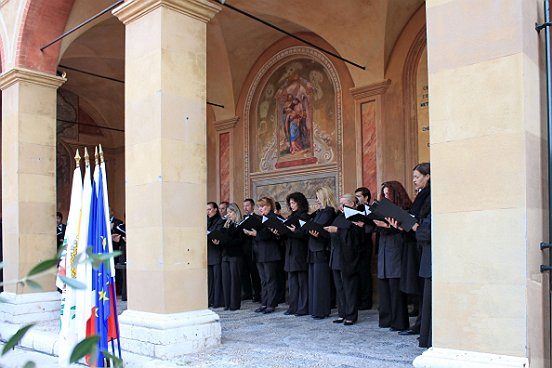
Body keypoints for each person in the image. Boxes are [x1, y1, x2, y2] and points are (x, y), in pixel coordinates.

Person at [373, 181, 411, 332]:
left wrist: (388, 226)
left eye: (389, 194)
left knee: (395, 287)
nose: (386, 197)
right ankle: (386, 319)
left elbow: (408, 230)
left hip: (396, 249)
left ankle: (399, 322)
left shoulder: (405, 208)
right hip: (383, 248)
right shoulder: (383, 209)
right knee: (384, 286)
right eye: (384, 194)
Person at [325, 194, 364, 326]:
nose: (341, 207)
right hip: (336, 255)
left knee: (349, 287)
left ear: (352, 204)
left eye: (344, 204)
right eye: (340, 204)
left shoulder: (356, 217)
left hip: (349, 257)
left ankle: (351, 315)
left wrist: (337, 230)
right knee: (339, 287)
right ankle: (342, 313)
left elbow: (356, 237)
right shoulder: (339, 217)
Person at [243, 197, 282, 314]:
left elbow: (269, 235)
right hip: (260, 253)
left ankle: (271, 304)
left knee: (270, 280)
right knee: (263, 280)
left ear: (269, 206)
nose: (260, 209)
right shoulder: (260, 219)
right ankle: (264, 303)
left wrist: (254, 233)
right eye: (259, 206)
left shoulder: (273, 218)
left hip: (270, 253)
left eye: (263, 206)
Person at [306, 187, 337, 319]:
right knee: (314, 280)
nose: (317, 200)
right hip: (314, 247)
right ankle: (315, 309)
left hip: (321, 249)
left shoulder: (328, 211)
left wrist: (313, 228)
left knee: (321, 281)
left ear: (324, 197)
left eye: (318, 197)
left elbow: (321, 227)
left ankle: (321, 310)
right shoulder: (320, 212)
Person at [282, 192, 310, 316]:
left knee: (302, 282)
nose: (291, 205)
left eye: (293, 203)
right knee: (292, 282)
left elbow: (305, 234)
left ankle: (303, 308)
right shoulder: (291, 216)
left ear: (300, 202)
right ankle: (293, 307)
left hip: (300, 252)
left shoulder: (304, 216)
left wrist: (294, 231)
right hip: (290, 252)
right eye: (290, 203)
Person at [213, 203, 245, 311]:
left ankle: (234, 304)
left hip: (235, 255)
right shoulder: (225, 225)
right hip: (225, 254)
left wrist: (227, 240)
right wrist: (218, 241)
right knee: (226, 280)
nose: (229, 215)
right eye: (228, 213)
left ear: (236, 212)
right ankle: (227, 304)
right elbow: (221, 237)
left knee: (234, 280)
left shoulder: (240, 225)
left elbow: (240, 241)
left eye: (231, 212)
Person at [354, 187, 375, 310]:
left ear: (366, 197)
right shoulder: (357, 209)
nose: (357, 198)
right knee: (358, 273)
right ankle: (359, 299)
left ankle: (366, 301)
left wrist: (365, 225)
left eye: (359, 196)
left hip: (365, 244)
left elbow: (373, 226)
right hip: (356, 244)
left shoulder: (371, 209)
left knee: (365, 273)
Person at [241, 198, 261, 302]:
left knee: (255, 273)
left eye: (247, 206)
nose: (245, 208)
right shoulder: (242, 219)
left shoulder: (258, 218)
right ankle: (247, 292)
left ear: (252, 206)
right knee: (245, 272)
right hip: (244, 249)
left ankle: (257, 293)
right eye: (244, 206)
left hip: (254, 248)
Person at [207, 202, 225, 308]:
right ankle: (210, 300)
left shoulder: (220, 221)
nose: (208, 212)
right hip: (209, 252)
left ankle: (217, 301)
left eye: (209, 209)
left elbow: (219, 234)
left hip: (216, 252)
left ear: (215, 209)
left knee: (217, 279)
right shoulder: (206, 221)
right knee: (210, 280)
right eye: (207, 210)